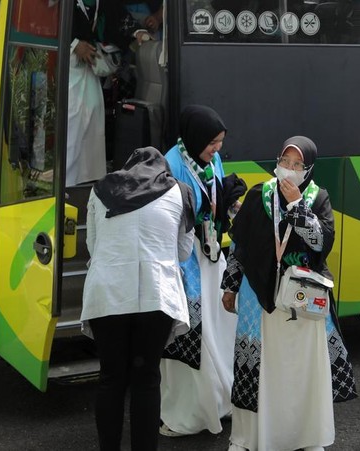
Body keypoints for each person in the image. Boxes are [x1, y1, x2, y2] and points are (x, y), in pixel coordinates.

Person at [220, 136, 357, 451]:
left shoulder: (317, 197)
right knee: (260, 368)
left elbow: (320, 242)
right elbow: (240, 246)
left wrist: (297, 205)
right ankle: (248, 437)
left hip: (303, 298)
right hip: (261, 295)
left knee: (302, 368)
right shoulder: (259, 195)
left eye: (297, 165)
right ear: (277, 162)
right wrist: (230, 284)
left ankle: (306, 436)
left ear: (307, 168)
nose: (290, 169)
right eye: (285, 162)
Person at [80, 146, 195, 450]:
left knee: (111, 377)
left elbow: (93, 245)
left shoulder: (100, 190)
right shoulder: (180, 192)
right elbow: (183, 252)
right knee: (146, 379)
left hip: (107, 293)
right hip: (155, 296)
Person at [159, 105, 246, 437]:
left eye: (221, 142)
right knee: (194, 334)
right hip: (185, 259)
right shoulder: (172, 164)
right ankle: (189, 412)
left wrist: (233, 206)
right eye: (213, 142)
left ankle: (221, 399)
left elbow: (217, 197)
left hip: (210, 255)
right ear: (196, 137)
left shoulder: (209, 160)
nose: (218, 149)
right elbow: (174, 219)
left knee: (221, 328)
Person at [68, 1, 151, 186]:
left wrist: (137, 32)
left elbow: (119, 18)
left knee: (92, 115)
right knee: (70, 122)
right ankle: (65, 180)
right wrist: (74, 44)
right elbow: (49, 24)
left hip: (88, 67)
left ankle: (86, 180)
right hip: (65, 66)